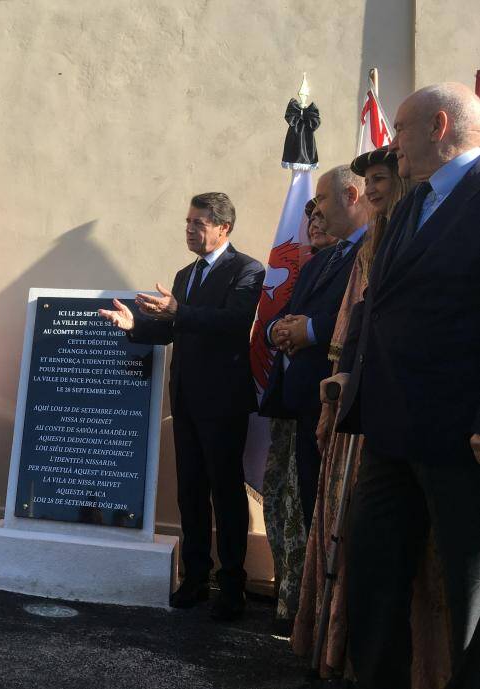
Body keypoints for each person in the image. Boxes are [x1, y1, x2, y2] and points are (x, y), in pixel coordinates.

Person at [323, 83, 480, 689]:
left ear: (440, 125)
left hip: (457, 434)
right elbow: (378, 301)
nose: (392, 143)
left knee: (468, 595)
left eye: (403, 129)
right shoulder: (413, 204)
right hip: (389, 427)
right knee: (374, 578)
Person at [98, 192, 265, 620]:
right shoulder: (184, 274)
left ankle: (231, 586)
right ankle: (194, 578)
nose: (190, 229)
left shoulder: (246, 270)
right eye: (187, 222)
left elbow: (233, 324)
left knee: (226, 495)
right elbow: (174, 329)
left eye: (199, 223)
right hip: (187, 400)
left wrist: (179, 311)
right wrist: (136, 326)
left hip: (224, 401)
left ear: (223, 227)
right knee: (190, 492)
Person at [260, 166, 369, 531]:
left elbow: (362, 314)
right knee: (313, 515)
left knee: (343, 522)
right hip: (306, 406)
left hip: (343, 407)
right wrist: (281, 330)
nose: (316, 212)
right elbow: (290, 311)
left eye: (322, 199)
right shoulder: (320, 260)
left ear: (351, 197)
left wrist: (309, 329)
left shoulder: (374, 251)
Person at [262, 197, 336, 630]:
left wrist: (300, 331)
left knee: (316, 510)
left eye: (320, 213)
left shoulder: (356, 261)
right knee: (283, 501)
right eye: (308, 216)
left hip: (325, 407)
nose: (313, 223)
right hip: (290, 404)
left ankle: (316, 611)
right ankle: (294, 598)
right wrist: (281, 330)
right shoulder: (310, 267)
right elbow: (278, 321)